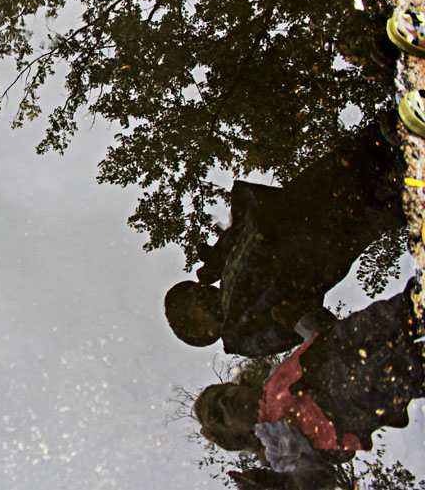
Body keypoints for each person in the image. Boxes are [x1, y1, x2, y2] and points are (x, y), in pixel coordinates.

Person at [165, 121, 404, 357]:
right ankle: (395, 186)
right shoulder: (237, 337)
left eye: (195, 291)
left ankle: (386, 140)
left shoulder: (225, 276)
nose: (201, 293)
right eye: (193, 302)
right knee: (359, 217)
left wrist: (217, 257)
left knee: (334, 174)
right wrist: (295, 318)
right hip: (301, 263)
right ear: (198, 332)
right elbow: (288, 332)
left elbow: (237, 235)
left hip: (282, 218)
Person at [193, 280, 425, 490]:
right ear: (239, 437)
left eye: (221, 393)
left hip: (349, 339)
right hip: (364, 392)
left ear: (237, 384)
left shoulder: (274, 380)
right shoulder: (278, 442)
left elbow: (313, 341)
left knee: (399, 311)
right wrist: (279, 484)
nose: (224, 402)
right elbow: (315, 479)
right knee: (405, 367)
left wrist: (297, 320)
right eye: (218, 415)